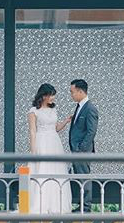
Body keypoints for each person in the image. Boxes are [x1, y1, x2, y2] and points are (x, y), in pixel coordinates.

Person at [27, 83, 72, 214]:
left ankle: (56, 204)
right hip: (41, 142)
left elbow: (56, 128)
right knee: (42, 169)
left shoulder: (53, 110)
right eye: (51, 95)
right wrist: (33, 151)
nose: (53, 98)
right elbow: (32, 131)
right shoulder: (33, 111)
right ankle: (40, 203)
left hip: (54, 142)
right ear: (44, 96)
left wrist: (66, 121)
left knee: (56, 170)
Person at [67, 79, 99, 213]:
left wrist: (81, 148)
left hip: (82, 151)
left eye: (72, 92)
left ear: (80, 91)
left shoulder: (90, 108)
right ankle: (82, 205)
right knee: (80, 178)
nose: (71, 95)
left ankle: (86, 207)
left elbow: (91, 131)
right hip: (76, 150)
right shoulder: (80, 106)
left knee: (84, 177)